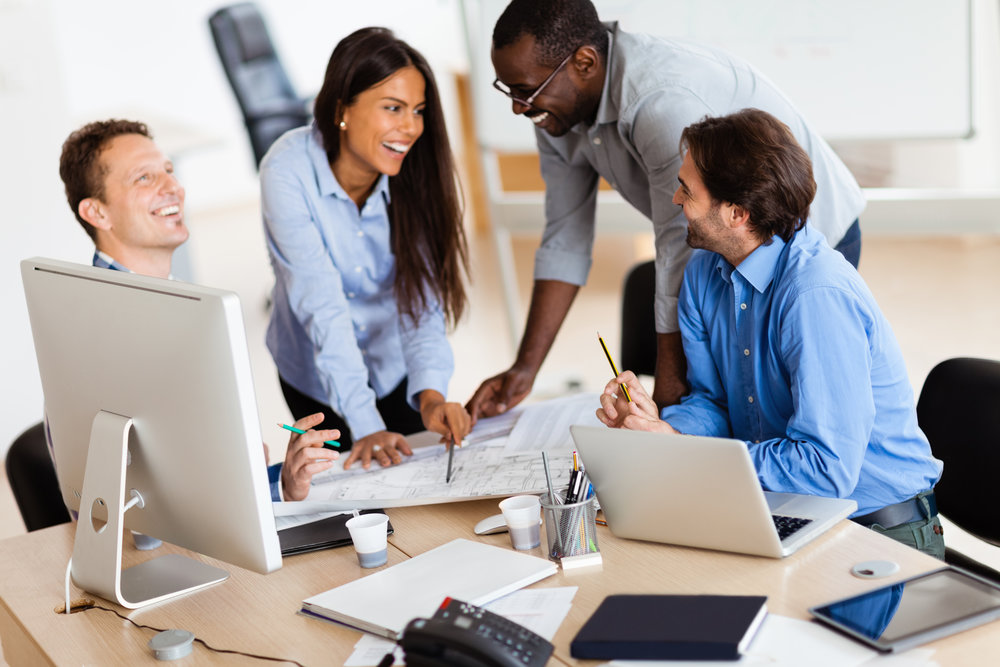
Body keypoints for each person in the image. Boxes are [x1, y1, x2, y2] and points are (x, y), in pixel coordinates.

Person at [468, 0, 866, 419]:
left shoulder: (661, 98)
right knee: (725, 403)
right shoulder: (556, 109)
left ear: (584, 63)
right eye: (508, 90)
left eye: (525, 91)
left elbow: (679, 241)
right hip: (722, 251)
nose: (517, 106)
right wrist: (524, 370)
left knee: (776, 405)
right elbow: (564, 237)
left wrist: (668, 391)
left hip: (800, 234)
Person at [596, 109, 943, 558]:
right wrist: (657, 431)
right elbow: (712, 403)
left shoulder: (815, 294)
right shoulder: (704, 272)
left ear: (736, 212)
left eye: (688, 189)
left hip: (876, 531)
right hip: (780, 509)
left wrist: (684, 454)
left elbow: (825, 470)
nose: (675, 198)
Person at [58, 118, 333, 502]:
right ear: (98, 213)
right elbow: (133, 507)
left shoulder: (167, 308)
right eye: (144, 178)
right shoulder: (108, 333)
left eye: (169, 171)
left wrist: (280, 481)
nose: (174, 187)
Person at [260, 27, 471, 472]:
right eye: (393, 108)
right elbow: (322, 306)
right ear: (343, 110)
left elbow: (422, 304)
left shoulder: (413, 176)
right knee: (341, 504)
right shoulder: (287, 170)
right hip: (312, 375)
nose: (411, 127)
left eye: (418, 111)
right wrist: (364, 422)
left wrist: (431, 396)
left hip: (393, 367)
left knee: (414, 487)